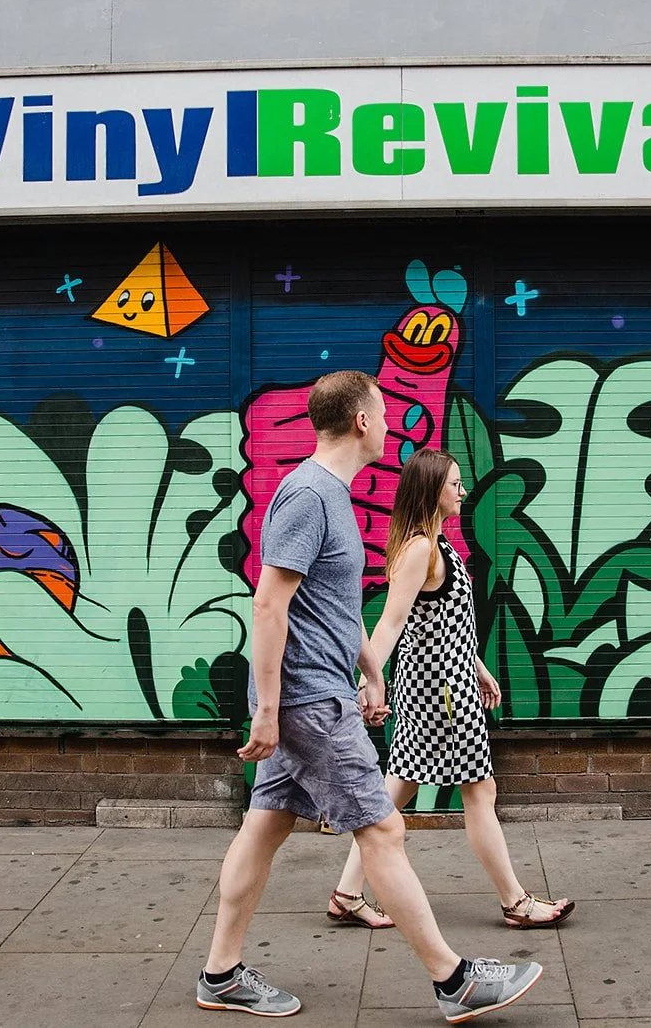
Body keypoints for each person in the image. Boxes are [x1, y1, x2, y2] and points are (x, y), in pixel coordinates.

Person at [198, 371, 543, 1023]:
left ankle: (221, 972)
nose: (388, 425)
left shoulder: (329, 494)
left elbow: (328, 602)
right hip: (308, 699)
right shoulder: (310, 495)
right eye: (382, 414)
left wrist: (369, 668)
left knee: (265, 825)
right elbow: (269, 604)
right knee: (383, 828)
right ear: (361, 421)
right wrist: (267, 709)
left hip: (314, 690)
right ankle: (454, 979)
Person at [327, 449, 574, 931]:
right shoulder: (421, 550)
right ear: (431, 491)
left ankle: (347, 893)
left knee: (399, 786)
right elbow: (392, 622)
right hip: (441, 693)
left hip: (444, 683)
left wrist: (476, 665)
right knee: (480, 791)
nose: (463, 492)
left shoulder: (437, 544)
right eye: (454, 484)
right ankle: (515, 902)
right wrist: (370, 681)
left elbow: (442, 621)